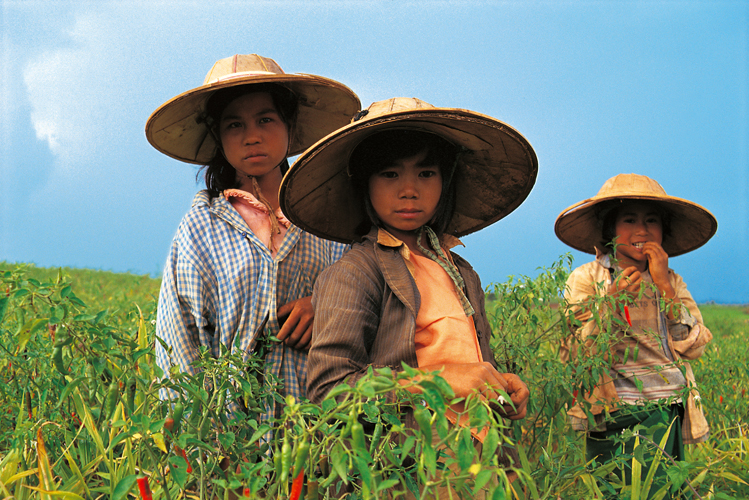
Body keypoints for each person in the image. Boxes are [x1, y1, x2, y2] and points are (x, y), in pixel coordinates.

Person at [280, 97, 537, 496]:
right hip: (405, 471)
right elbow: (332, 391)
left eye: (426, 172)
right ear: (364, 183)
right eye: (389, 174)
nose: (409, 190)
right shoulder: (355, 273)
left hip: (477, 468)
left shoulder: (461, 272)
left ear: (444, 181)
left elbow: (469, 364)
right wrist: (439, 381)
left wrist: (501, 384)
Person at [146, 54, 360, 423]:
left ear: (289, 126)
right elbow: (179, 342)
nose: (252, 136)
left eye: (266, 119)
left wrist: (324, 303)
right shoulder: (200, 228)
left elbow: (367, 296)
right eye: (234, 125)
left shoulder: (330, 218)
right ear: (218, 137)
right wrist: (200, 443)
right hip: (230, 430)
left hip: (322, 425)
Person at [554, 173, 717, 496]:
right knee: (613, 487)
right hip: (609, 409)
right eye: (629, 219)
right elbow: (574, 351)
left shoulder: (671, 280)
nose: (642, 230)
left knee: (661, 488)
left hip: (664, 403)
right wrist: (611, 303)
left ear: (663, 231)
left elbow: (695, 343)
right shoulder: (586, 278)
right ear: (610, 229)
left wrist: (665, 290)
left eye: (652, 220)